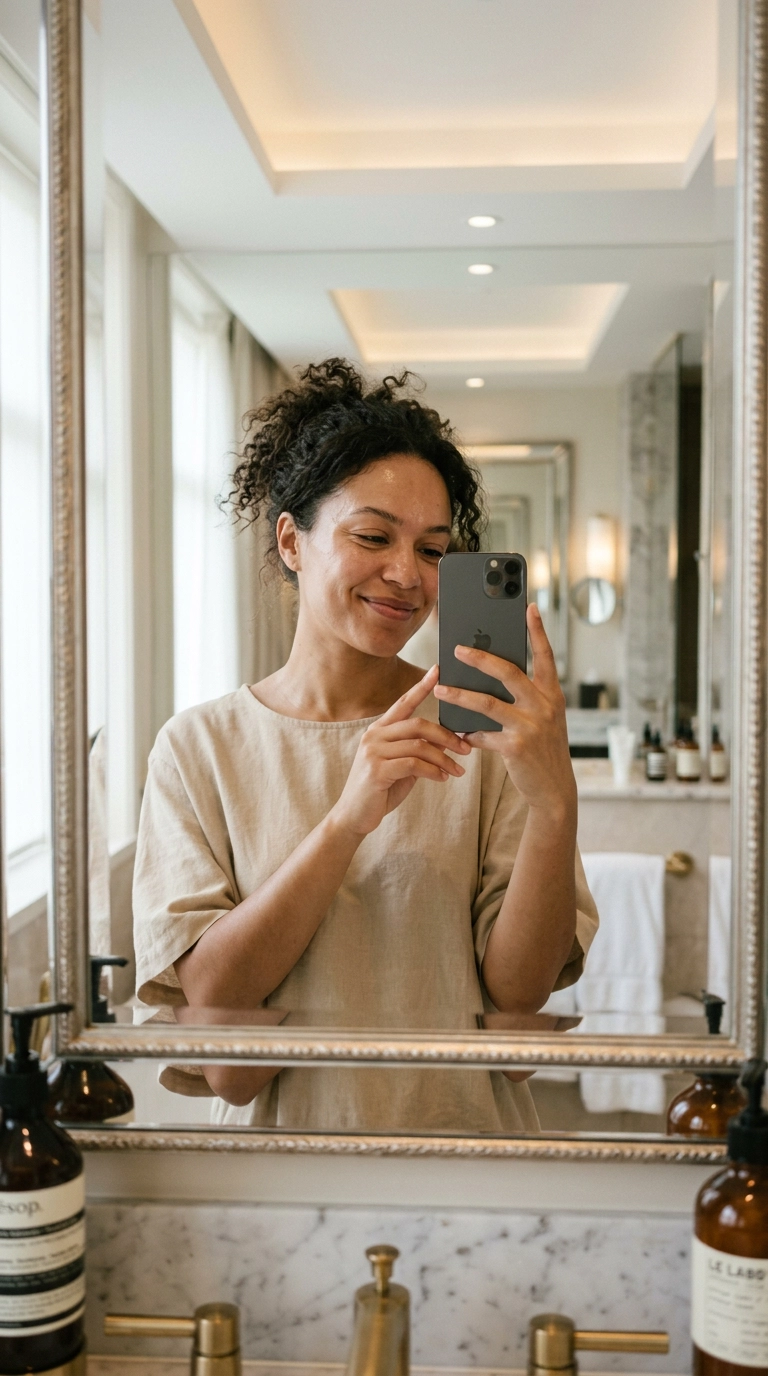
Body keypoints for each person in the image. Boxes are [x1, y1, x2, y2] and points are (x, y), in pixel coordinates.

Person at [133, 359, 598, 1132]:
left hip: (471, 1155)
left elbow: (520, 995)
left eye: (431, 549)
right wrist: (347, 819)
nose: (405, 575)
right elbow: (226, 1052)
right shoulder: (199, 749)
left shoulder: (484, 736)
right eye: (374, 536)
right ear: (291, 540)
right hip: (283, 1178)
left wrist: (555, 804)